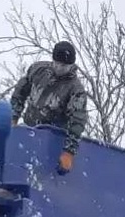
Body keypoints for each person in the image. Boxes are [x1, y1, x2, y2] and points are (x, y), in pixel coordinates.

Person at [9, 40, 89, 175]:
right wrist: (13, 116)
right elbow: (20, 92)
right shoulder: (37, 70)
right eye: (56, 64)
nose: (59, 68)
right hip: (29, 128)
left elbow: (77, 121)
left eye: (63, 66)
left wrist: (69, 152)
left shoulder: (75, 90)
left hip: (52, 138)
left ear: (71, 66)